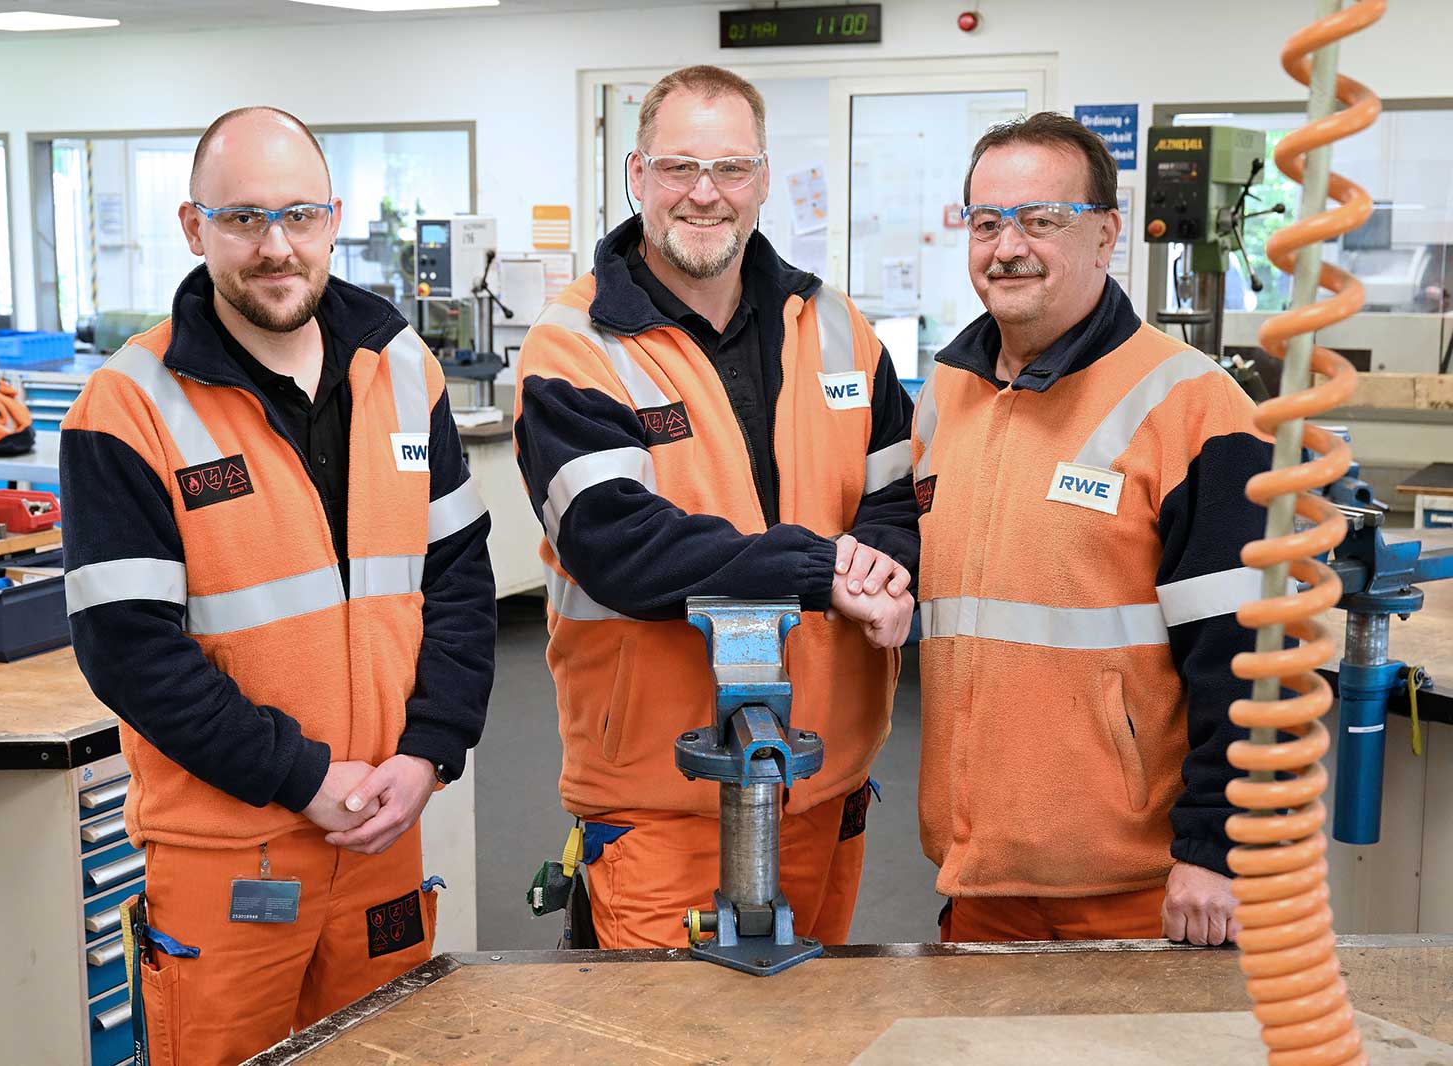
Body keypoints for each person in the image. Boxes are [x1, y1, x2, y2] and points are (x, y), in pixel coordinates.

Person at [60, 106, 496, 1065]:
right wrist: (300, 777)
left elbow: (459, 582)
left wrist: (428, 751)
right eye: (243, 218)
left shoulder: (404, 371)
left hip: (383, 831)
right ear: (192, 227)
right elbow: (130, 653)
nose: (275, 247)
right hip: (230, 859)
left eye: (299, 216)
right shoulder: (128, 408)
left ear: (334, 218)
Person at [514, 65, 918, 949]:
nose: (706, 194)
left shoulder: (841, 328)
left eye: (732, 168)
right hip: (663, 803)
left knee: (821, 1040)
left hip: (826, 788)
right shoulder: (573, 347)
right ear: (636, 175)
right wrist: (824, 571)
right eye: (678, 168)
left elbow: (898, 502)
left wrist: (887, 565)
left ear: (765, 180)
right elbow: (623, 546)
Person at [910, 111, 1272, 947]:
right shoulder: (943, 398)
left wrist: (1218, 848)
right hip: (979, 875)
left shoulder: (1195, 407)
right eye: (988, 221)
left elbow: (1249, 653)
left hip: (1139, 890)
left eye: (1041, 220)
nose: (1008, 247)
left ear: (1107, 234)